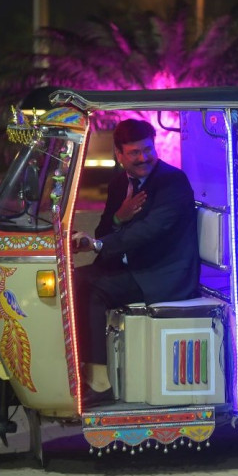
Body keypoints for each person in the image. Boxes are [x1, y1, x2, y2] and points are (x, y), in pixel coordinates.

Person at [72, 119, 200, 405]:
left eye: (147, 149)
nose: (144, 158)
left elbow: (151, 230)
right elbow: (105, 229)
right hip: (132, 268)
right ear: (119, 154)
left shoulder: (173, 181)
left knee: (92, 287)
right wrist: (120, 216)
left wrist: (101, 244)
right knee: (71, 282)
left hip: (162, 274)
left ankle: (100, 381)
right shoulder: (119, 183)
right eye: (134, 153)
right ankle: (83, 369)